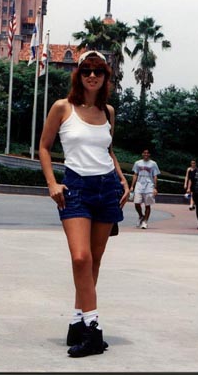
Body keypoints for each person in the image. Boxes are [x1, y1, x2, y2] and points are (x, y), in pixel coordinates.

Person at [39, 50, 129, 358]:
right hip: (75, 188)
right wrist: (52, 183)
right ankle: (94, 330)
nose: (93, 75)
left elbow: (108, 150)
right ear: (79, 74)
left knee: (95, 261)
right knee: (81, 258)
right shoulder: (62, 108)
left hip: (107, 189)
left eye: (99, 71)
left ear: (106, 77)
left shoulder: (109, 111)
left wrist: (123, 178)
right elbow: (44, 147)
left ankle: (78, 321)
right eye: (87, 70)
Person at [129, 149, 160, 229]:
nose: (146, 154)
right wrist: (132, 186)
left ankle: (145, 221)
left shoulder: (153, 164)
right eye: (144, 153)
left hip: (149, 185)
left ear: (149, 154)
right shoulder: (137, 163)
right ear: (142, 154)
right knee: (136, 203)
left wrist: (155, 188)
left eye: (147, 153)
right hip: (139, 184)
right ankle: (141, 215)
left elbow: (155, 176)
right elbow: (135, 174)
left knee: (147, 205)